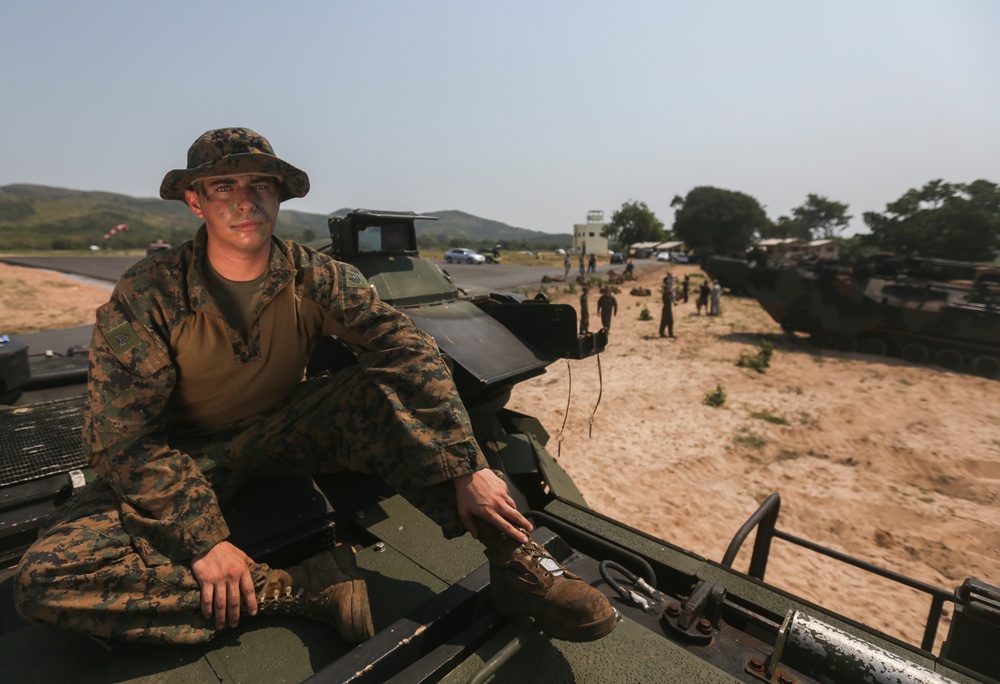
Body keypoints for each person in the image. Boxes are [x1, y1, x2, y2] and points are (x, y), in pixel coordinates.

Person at [14, 128, 618, 646]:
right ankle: (297, 587)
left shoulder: (316, 275)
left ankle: (519, 565)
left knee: (383, 387)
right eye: (224, 186)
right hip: (182, 459)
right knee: (46, 578)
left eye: (260, 185)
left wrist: (466, 463)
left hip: (282, 429)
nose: (245, 202)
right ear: (195, 201)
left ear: (278, 196)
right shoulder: (148, 295)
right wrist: (201, 541)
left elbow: (402, 348)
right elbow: (123, 442)